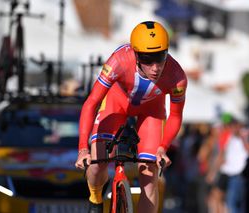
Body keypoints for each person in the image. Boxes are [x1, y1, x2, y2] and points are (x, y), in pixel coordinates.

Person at [75, 21, 187, 213]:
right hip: (115, 104)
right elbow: (92, 102)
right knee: (96, 164)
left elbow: (175, 116)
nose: (155, 67)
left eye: (160, 57)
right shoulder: (118, 61)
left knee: (150, 178)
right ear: (135, 54)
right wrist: (82, 149)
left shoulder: (177, 76)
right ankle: (95, 197)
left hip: (151, 111)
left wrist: (163, 148)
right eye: (147, 58)